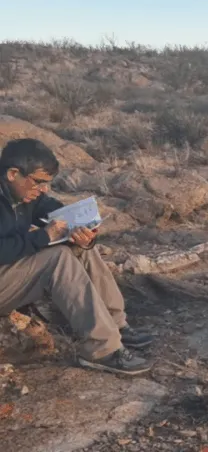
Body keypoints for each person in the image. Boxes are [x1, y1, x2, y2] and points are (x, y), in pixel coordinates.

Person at [0, 138, 154, 375]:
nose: (43, 189)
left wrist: (81, 231)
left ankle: (115, 325)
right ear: (13, 173)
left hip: (9, 273)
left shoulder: (25, 194)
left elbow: (55, 210)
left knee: (76, 247)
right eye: (39, 182)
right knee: (57, 258)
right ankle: (101, 350)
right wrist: (43, 237)